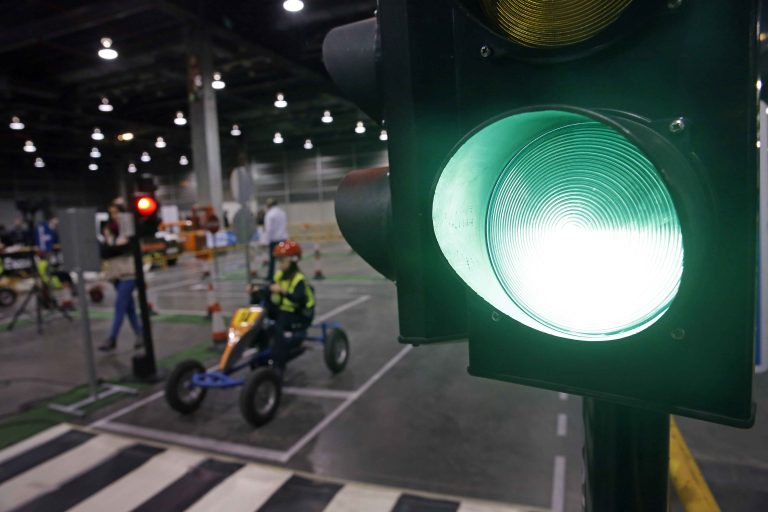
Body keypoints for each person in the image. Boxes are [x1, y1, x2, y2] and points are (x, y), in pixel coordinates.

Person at [99, 203, 142, 351]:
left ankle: (112, 338)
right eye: (111, 213)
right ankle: (140, 334)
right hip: (115, 274)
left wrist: (113, 249)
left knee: (120, 305)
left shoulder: (128, 231)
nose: (114, 216)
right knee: (128, 307)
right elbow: (105, 252)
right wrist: (112, 247)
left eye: (117, 212)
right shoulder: (108, 231)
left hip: (128, 273)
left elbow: (124, 249)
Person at [266, 240, 315, 373]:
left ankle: (278, 367)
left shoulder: (299, 279)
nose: (279, 263)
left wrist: (282, 291)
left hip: (301, 313)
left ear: (293, 261)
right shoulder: (279, 275)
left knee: (278, 328)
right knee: (261, 319)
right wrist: (255, 291)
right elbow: (268, 288)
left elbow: (298, 299)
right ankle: (263, 352)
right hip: (285, 310)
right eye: (278, 260)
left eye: (282, 260)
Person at [263, 198, 288, 280]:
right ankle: (285, 275)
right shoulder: (282, 213)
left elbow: (269, 229)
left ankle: (270, 276)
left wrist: (266, 241)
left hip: (274, 240)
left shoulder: (270, 214)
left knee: (272, 259)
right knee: (283, 258)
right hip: (283, 239)